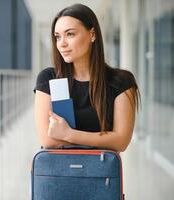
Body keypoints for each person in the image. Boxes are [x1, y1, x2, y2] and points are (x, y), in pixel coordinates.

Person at [33, 4, 140, 152]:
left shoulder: (121, 81)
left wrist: (69, 134)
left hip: (100, 173)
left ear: (92, 34)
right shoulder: (49, 79)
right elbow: (48, 140)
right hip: (59, 172)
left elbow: (121, 141)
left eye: (70, 34)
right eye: (57, 37)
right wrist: (104, 139)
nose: (62, 44)